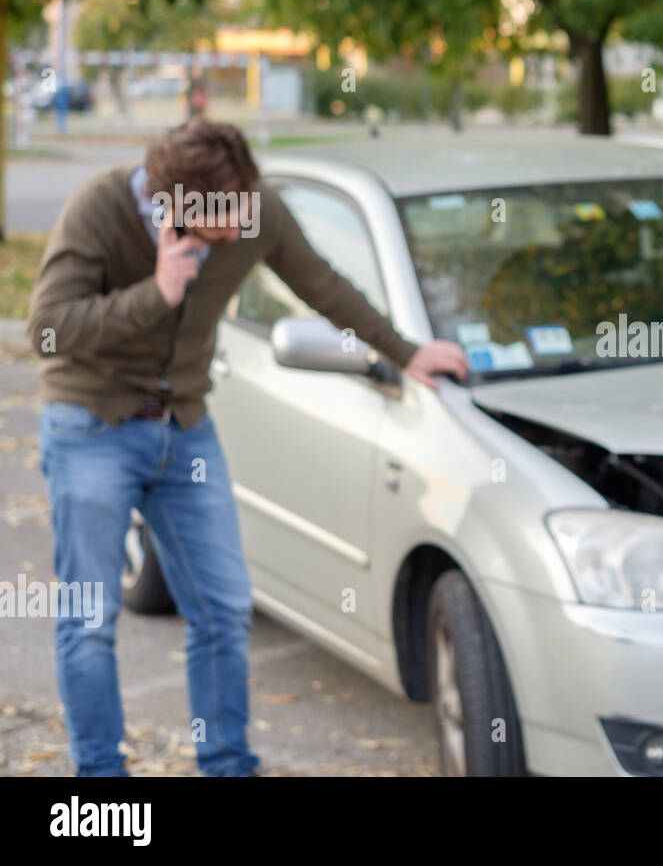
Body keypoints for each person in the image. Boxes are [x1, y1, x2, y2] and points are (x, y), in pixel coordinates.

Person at [26, 117, 468, 776]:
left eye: (243, 212)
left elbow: (322, 285)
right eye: (223, 220)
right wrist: (157, 294)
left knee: (223, 608)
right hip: (91, 426)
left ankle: (226, 763)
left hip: (185, 429)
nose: (239, 232)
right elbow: (48, 331)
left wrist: (405, 352)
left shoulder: (252, 208)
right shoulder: (100, 208)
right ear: (174, 207)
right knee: (89, 622)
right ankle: (99, 780)